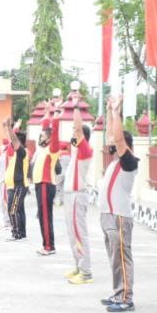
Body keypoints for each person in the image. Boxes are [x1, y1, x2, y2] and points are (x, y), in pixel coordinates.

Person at [99, 95, 139, 311]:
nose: (112, 146)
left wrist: (116, 111)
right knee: (114, 258)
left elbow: (118, 139)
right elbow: (111, 134)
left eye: (116, 143)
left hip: (119, 216)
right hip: (107, 215)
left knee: (122, 257)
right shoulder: (115, 163)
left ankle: (126, 297)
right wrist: (109, 111)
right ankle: (117, 293)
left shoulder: (129, 162)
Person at [64, 103, 95, 285]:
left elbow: (77, 127)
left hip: (77, 195)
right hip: (70, 196)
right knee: (72, 233)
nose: (72, 137)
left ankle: (86, 272)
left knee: (79, 234)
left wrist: (76, 108)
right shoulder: (76, 151)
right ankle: (78, 265)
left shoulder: (85, 150)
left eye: (75, 135)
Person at [30, 100, 60, 255]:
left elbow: (54, 131)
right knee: (42, 216)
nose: (40, 137)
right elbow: (45, 125)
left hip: (46, 184)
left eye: (43, 136)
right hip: (39, 184)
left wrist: (55, 115)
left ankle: (49, 246)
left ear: (49, 138)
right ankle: (47, 244)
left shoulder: (52, 148)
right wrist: (47, 111)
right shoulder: (42, 148)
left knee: (45, 216)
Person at [3, 116, 29, 242]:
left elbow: (13, 139)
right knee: (19, 210)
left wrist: (9, 127)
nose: (13, 143)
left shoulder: (22, 152)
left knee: (12, 210)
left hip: (19, 186)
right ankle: (22, 234)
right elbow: (11, 140)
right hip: (14, 186)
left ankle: (16, 234)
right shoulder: (16, 153)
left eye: (15, 142)